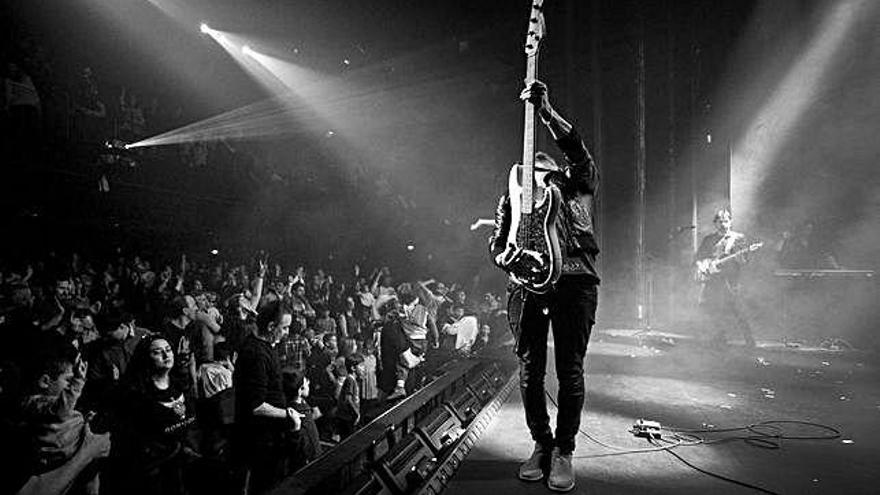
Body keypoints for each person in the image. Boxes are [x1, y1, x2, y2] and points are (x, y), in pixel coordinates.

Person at [489, 80, 600, 493]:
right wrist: (506, 258)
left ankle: (565, 450)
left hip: (575, 285)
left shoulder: (574, 185)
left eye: (543, 170)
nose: (536, 178)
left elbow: (579, 154)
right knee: (530, 371)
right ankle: (541, 444)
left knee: (569, 370)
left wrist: (548, 112)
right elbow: (496, 243)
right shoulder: (514, 196)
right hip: (527, 288)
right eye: (529, 173)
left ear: (556, 172)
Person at [233, 301, 303, 494]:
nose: (287, 332)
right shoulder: (256, 354)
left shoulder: (266, 345)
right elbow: (256, 406)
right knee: (265, 486)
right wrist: (289, 415)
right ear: (272, 327)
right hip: (260, 438)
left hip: (269, 435)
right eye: (285, 327)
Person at [695, 208, 756, 348]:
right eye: (720, 222)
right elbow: (698, 258)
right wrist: (702, 265)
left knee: (737, 310)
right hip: (712, 280)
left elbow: (744, 261)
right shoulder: (708, 239)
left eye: (726, 221)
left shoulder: (738, 238)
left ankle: (750, 340)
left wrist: (741, 256)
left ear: (731, 222)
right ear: (715, 223)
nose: (723, 224)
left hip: (730, 280)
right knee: (712, 309)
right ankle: (720, 338)